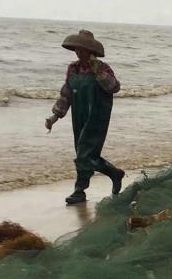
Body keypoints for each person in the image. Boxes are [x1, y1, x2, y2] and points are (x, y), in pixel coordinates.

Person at [45, 29, 124, 206]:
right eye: (77, 49)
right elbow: (66, 95)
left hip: (97, 115)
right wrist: (54, 116)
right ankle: (115, 174)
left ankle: (79, 191)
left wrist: (99, 73)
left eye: (83, 49)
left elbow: (114, 87)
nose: (79, 53)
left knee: (84, 153)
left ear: (91, 51)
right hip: (79, 115)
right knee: (86, 155)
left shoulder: (102, 67)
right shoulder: (72, 69)